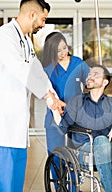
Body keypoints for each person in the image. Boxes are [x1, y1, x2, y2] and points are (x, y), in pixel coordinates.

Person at [0, 0, 62, 191]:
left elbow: (36, 70)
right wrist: (48, 96)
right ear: (32, 14)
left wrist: (53, 98)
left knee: (15, 184)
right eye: (43, 19)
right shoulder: (4, 35)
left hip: (16, 127)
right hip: (0, 127)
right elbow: (20, 69)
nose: (43, 24)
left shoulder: (26, 42)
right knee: (1, 185)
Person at [58, 64, 112, 192]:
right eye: (89, 75)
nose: (90, 77)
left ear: (105, 82)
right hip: (84, 152)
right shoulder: (77, 102)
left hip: (108, 151)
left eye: (95, 75)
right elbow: (62, 128)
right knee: (101, 140)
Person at [42, 31, 90, 190]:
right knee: (57, 158)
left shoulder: (78, 64)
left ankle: (74, 188)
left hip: (76, 117)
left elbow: (90, 83)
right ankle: (60, 189)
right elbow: (44, 92)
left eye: (65, 48)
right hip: (55, 119)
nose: (63, 53)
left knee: (75, 157)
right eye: (58, 51)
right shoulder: (48, 69)